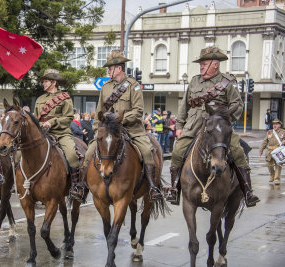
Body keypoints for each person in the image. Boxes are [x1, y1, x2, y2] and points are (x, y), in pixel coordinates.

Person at [166, 46, 259, 207]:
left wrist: (225, 120)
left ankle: (247, 190)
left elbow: (238, 104)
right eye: (200, 64)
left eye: (204, 64)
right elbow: (184, 106)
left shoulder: (226, 83)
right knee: (178, 151)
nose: (201, 67)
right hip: (194, 125)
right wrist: (180, 125)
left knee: (237, 151)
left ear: (215, 65)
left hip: (218, 127)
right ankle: (175, 189)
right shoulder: (195, 81)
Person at [81, 50, 163, 201]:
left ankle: (152, 187)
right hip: (108, 131)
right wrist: (97, 130)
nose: (108, 71)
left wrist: (120, 120)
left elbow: (138, 111)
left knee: (147, 151)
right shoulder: (106, 87)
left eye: (110, 69)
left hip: (131, 129)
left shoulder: (134, 86)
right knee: (88, 154)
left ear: (119, 68)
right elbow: (99, 111)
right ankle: (81, 187)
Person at [34, 68, 85, 202]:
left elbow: (68, 118)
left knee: (72, 155)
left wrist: (52, 122)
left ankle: (75, 186)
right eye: (43, 81)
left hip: (61, 133)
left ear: (54, 82)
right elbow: (35, 118)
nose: (43, 84)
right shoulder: (40, 99)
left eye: (46, 81)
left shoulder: (65, 98)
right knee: (20, 153)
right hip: (41, 134)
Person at [259, 118, 285, 185]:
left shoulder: (283, 132)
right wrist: (261, 149)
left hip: (278, 151)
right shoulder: (269, 132)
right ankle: (272, 175)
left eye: (276, 124)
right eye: (273, 124)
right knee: (269, 164)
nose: (274, 125)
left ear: (279, 125)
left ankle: (277, 179)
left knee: (278, 165)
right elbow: (265, 141)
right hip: (270, 151)